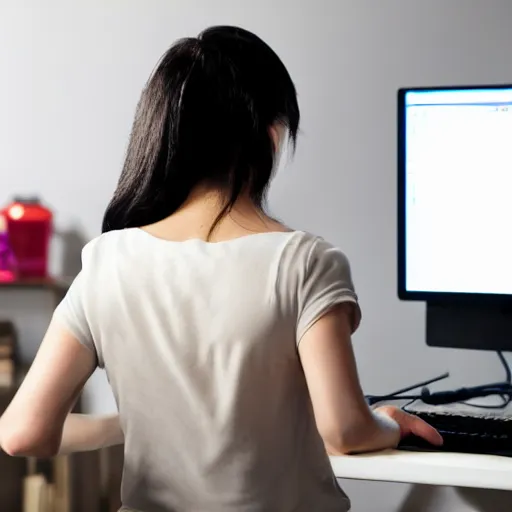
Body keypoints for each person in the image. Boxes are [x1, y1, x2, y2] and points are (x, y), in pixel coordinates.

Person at [0, 26, 441, 512]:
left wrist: (133, 423)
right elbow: (344, 429)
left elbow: (22, 433)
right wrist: (389, 422)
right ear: (272, 136)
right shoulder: (305, 262)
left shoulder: (105, 262)